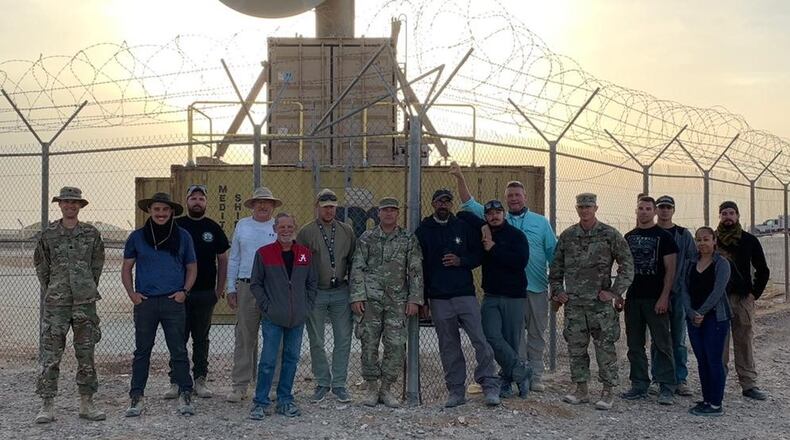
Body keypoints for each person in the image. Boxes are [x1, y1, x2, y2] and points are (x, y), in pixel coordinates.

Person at [450, 162, 556, 391]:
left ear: (525, 197)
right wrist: (460, 177)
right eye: (510, 195)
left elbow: (553, 255)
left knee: (536, 333)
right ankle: (516, 374)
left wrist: (556, 287)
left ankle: (535, 375)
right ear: (505, 200)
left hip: (535, 286)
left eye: (518, 195)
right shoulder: (496, 219)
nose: (514, 198)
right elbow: (468, 204)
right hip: (506, 290)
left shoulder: (540, 222)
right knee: (512, 337)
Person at [415, 190, 500, 407]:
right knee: (448, 346)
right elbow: (420, 268)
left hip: (464, 294)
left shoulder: (462, 225)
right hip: (439, 297)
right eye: (439, 201)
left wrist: (461, 261)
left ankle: (489, 384)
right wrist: (423, 300)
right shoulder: (424, 230)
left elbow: (478, 255)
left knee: (480, 340)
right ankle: (456, 390)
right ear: (433, 203)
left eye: (447, 201)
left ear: (452, 204)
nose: (443, 204)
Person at [550, 193, 634, 410]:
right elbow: (556, 267)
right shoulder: (568, 236)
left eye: (588, 207)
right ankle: (581, 389)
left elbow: (627, 265)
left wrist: (614, 292)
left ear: (596, 208)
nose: (585, 210)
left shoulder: (609, 235)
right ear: (577, 209)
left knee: (604, 349)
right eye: (581, 207)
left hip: (600, 306)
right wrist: (558, 291)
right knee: (576, 348)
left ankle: (608, 391)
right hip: (575, 305)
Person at [33, 187, 106, 423]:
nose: (70, 206)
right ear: (60, 205)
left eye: (75, 203)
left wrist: (85, 286)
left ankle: (87, 403)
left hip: (85, 303)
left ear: (80, 206)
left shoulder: (91, 234)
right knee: (51, 354)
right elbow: (42, 267)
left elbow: (97, 265)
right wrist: (56, 287)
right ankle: (47, 405)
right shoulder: (49, 234)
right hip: (57, 303)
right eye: (66, 202)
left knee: (86, 354)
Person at [122, 192, 197, 417]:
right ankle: (137, 397)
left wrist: (184, 291)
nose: (161, 214)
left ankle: (185, 393)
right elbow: (126, 268)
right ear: (150, 211)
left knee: (179, 351)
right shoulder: (137, 237)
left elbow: (192, 267)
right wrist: (132, 294)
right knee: (142, 351)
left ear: (171, 212)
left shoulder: (183, 236)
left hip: (173, 302)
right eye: (157, 209)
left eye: (165, 210)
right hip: (145, 303)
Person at [350, 197, 423, 408]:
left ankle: (386, 389)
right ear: (378, 214)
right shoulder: (367, 238)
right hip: (370, 301)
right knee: (369, 343)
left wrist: (414, 299)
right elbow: (357, 267)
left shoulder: (408, 239)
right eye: (385, 210)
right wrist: (357, 296)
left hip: (397, 302)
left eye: (393, 210)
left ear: (398, 214)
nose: (389, 214)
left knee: (396, 345)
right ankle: (372, 388)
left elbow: (415, 270)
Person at [160, 184, 229, 399]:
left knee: (201, 339)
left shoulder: (213, 228)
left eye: (201, 198)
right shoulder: (176, 226)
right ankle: (176, 381)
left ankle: (200, 379)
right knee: (177, 338)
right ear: (186, 202)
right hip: (178, 294)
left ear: (206, 203)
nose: (197, 201)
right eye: (193, 198)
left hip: (204, 293)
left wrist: (219, 289)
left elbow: (223, 259)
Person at [461, 200, 532, 402]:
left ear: (504, 214)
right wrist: (482, 228)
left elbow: (519, 262)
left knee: (509, 339)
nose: (494, 216)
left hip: (514, 296)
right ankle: (522, 371)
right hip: (491, 296)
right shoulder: (484, 234)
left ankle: (508, 382)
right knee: (490, 336)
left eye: (498, 212)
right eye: (489, 214)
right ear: (486, 217)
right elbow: (462, 215)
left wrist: (493, 248)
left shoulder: (516, 236)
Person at [249, 213, 318, 420]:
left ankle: (285, 400)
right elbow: (256, 284)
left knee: (291, 359)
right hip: (273, 317)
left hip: (297, 318)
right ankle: (260, 402)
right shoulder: (264, 253)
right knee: (268, 360)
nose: (286, 230)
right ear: (275, 229)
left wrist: (306, 308)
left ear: (295, 228)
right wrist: (267, 307)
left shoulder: (305, 254)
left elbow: (312, 284)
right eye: (282, 227)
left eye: (290, 226)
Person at [297, 189, 356, 404]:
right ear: (317, 207)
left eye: (332, 206)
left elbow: (353, 261)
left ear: (336, 208)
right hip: (317, 293)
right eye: (325, 206)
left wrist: (354, 292)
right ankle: (322, 382)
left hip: (340, 291)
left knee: (343, 338)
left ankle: (339, 384)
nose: (329, 210)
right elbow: (300, 264)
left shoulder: (346, 231)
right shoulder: (305, 232)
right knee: (317, 340)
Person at [225, 187, 281, 402]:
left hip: (272, 287)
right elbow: (235, 258)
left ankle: (273, 385)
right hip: (247, 286)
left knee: (274, 336)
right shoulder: (242, 225)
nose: (263, 205)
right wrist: (231, 288)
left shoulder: (278, 227)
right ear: (252, 205)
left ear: (273, 206)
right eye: (258, 202)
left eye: (267, 202)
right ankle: (240, 386)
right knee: (245, 337)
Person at [621, 196, 678, 405]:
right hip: (634, 298)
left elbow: (671, 270)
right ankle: (639, 384)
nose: (644, 212)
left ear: (654, 212)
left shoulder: (664, 238)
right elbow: (623, 269)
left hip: (656, 299)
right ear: (636, 211)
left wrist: (664, 297)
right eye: (640, 208)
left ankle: (666, 385)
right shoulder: (628, 237)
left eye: (648, 209)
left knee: (662, 343)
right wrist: (619, 294)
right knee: (634, 344)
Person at [716, 200, 770, 400]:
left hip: (742, 298)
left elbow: (762, 269)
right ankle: (718, 382)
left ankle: (748, 384)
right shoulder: (713, 240)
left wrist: (754, 294)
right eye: (724, 213)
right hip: (719, 299)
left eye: (731, 213)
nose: (728, 217)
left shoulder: (748, 240)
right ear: (719, 216)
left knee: (744, 341)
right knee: (720, 343)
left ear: (737, 216)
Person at [681, 227, 732, 416]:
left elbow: (718, 292)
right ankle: (707, 399)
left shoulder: (722, 264)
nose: (702, 243)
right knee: (702, 360)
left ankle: (716, 404)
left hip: (715, 318)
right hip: (694, 317)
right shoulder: (690, 263)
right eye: (699, 240)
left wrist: (701, 312)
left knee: (713, 359)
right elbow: (684, 289)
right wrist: (691, 312)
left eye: (706, 239)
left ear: (714, 241)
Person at [651, 195, 696, 396]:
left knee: (678, 338)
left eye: (668, 207)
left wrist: (684, 287)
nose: (665, 210)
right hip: (654, 292)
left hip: (678, 293)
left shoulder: (683, 234)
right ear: (656, 210)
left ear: (673, 210)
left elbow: (692, 261)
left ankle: (680, 378)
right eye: (661, 207)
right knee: (658, 338)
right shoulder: (650, 233)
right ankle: (658, 377)